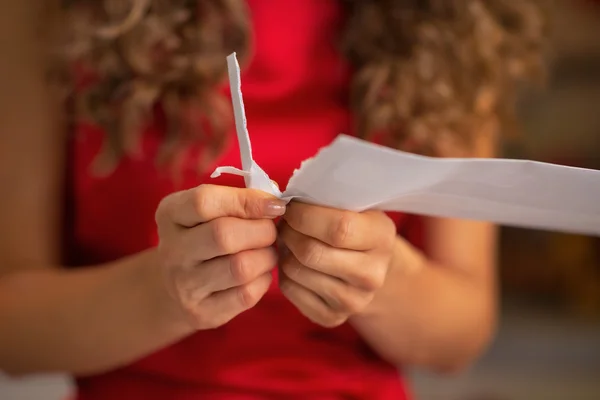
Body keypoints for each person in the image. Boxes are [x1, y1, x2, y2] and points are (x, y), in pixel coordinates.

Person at [0, 1, 545, 399]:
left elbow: (461, 335)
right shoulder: (51, 16)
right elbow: (13, 330)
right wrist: (162, 292)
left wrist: (380, 280)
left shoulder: (451, 22)